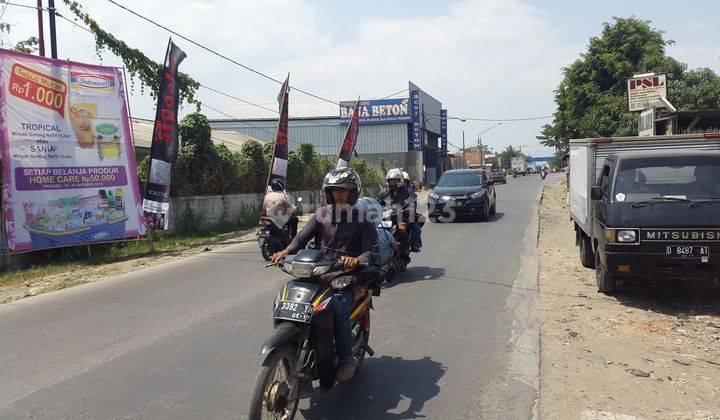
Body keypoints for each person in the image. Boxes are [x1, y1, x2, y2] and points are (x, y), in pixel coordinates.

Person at [272, 167, 378, 381]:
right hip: (319, 271)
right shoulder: (321, 214)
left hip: (347, 275)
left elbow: (371, 252)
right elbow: (301, 238)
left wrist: (356, 260)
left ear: (353, 192)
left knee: (337, 304)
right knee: (292, 295)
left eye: (343, 190)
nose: (338, 194)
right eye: (334, 190)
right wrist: (286, 251)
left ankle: (347, 358)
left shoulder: (363, 219)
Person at [378, 168, 416, 256]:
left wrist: (405, 210)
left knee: (401, 231)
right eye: (391, 180)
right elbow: (378, 201)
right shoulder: (385, 192)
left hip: (402, 217)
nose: (393, 182)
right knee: (377, 231)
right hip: (387, 217)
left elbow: (412, 204)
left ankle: (404, 251)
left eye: (395, 180)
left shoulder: (407, 192)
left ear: (401, 180)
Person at [402, 171, 423, 252]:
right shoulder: (389, 191)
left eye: (404, 181)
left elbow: (412, 202)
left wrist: (408, 209)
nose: (402, 183)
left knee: (416, 227)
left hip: (406, 215)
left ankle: (415, 244)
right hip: (390, 215)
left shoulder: (409, 192)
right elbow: (381, 200)